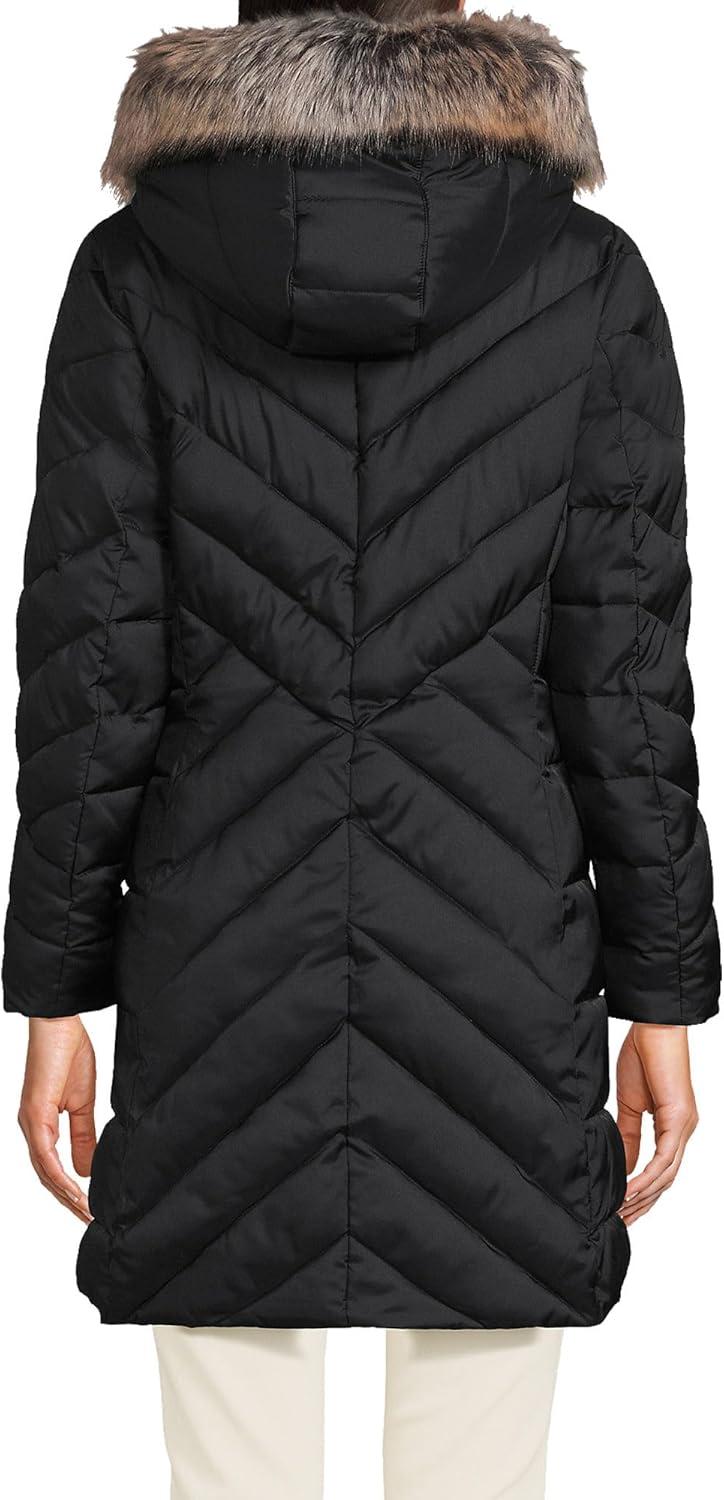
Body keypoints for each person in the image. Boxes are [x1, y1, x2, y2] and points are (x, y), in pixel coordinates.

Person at [4, 3, 719, 1496]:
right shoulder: (583, 273)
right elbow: (628, 673)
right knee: (477, 1456)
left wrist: (56, 989)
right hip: (498, 950)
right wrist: (663, 991)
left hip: (218, 948)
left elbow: (93, 660)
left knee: (232, 1457)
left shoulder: (138, 269)